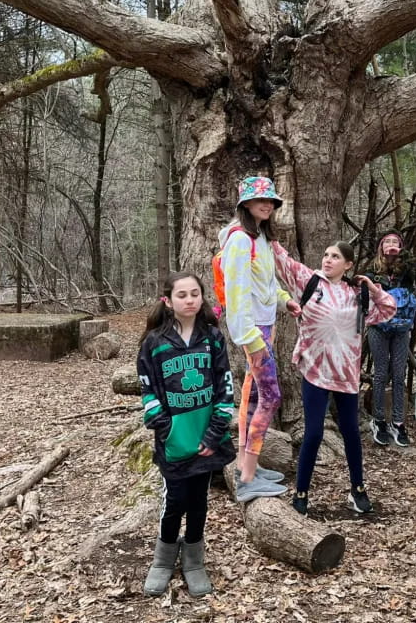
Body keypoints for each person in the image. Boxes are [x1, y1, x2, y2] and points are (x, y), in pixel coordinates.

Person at [272, 239, 396, 516]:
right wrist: (268, 235)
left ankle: (358, 490)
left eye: (335, 257)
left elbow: (388, 310)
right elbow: (282, 261)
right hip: (315, 371)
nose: (328, 260)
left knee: (351, 432)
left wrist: (374, 289)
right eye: (326, 255)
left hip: (346, 373)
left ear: (348, 265)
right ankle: (301, 494)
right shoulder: (310, 282)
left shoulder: (357, 294)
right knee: (313, 433)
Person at [137, 272, 236, 598]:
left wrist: (214, 434)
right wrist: (166, 429)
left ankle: (194, 560)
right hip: (175, 442)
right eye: (182, 294)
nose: (190, 299)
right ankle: (163, 560)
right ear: (168, 300)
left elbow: (225, 386)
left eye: (195, 293)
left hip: (207, 438)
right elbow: (148, 392)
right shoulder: (154, 343)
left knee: (198, 501)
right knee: (175, 500)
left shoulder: (212, 338)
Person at [218, 175, 300, 503]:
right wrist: (250, 338)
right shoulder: (239, 240)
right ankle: (248, 478)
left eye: (271, 201)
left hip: (265, 328)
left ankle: (245, 465)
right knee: (271, 397)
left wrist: (284, 299)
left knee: (253, 398)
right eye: (260, 200)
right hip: (253, 332)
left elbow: (264, 285)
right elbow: (236, 295)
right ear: (245, 204)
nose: (267, 204)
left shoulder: (261, 239)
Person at [365, 229, 416, 448]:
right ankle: (378, 420)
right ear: (379, 246)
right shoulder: (372, 271)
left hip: (401, 328)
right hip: (378, 327)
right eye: (386, 241)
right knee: (380, 374)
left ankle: (398, 422)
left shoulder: (407, 270)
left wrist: (402, 255)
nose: (390, 244)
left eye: (395, 242)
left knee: (399, 374)